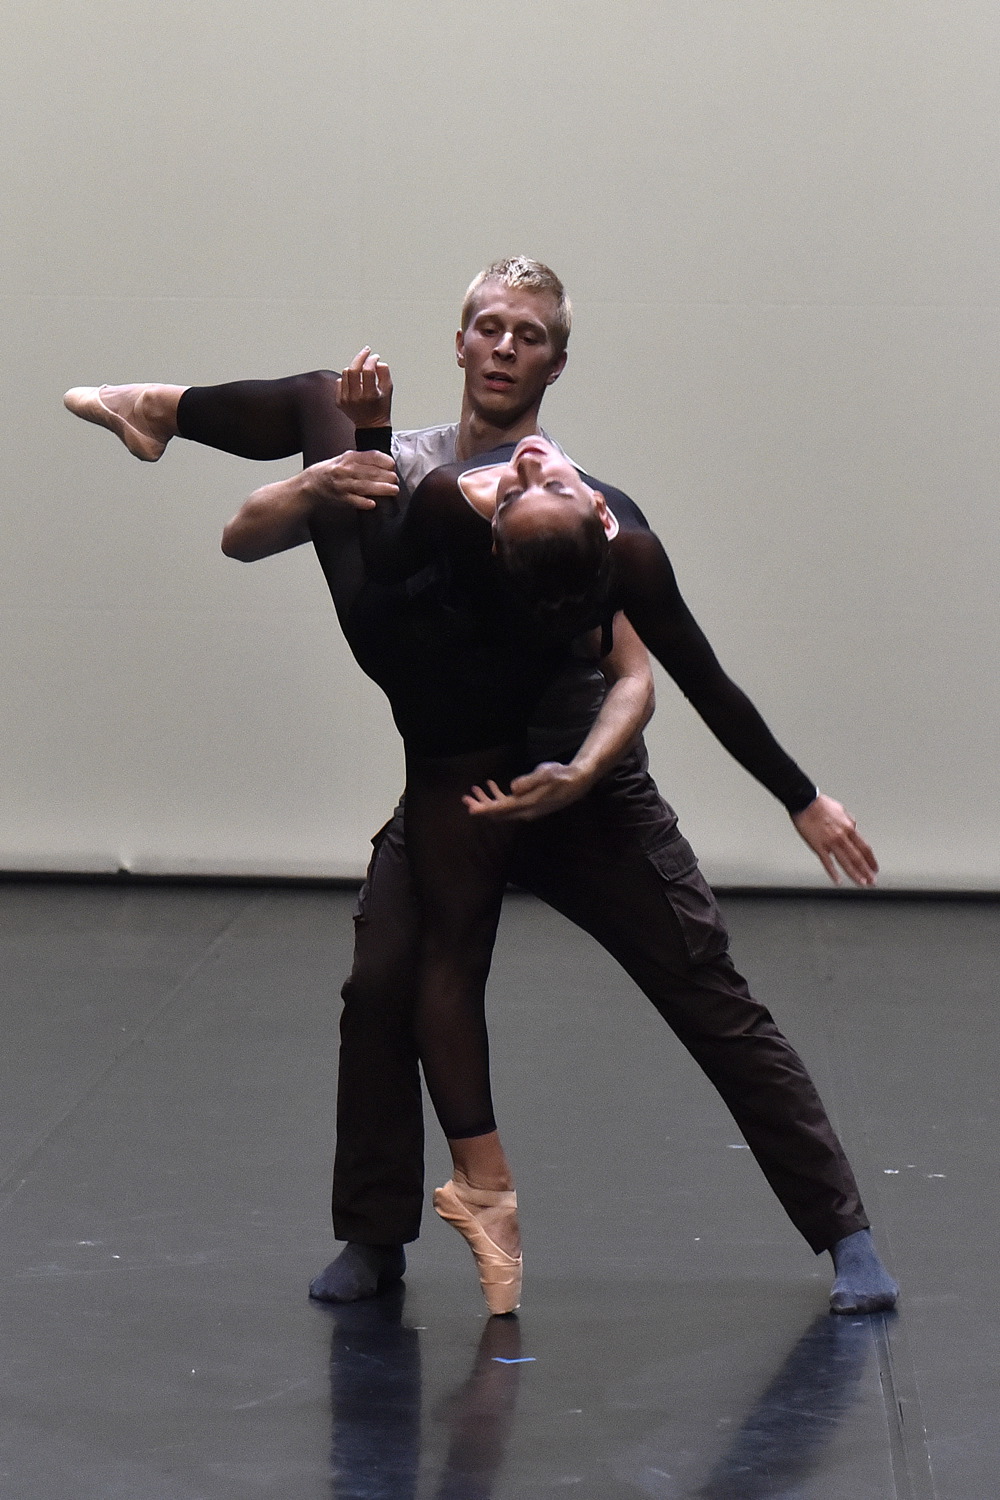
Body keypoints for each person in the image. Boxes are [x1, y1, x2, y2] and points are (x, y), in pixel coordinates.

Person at [63, 258, 897, 1316]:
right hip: (455, 778)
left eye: (529, 334)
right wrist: (318, 481)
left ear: (556, 363)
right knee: (381, 988)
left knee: (707, 992)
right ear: (458, 344)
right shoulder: (415, 473)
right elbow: (260, 540)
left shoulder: (578, 508)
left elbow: (644, 675)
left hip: (585, 791)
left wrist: (655, 778)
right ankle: (374, 1235)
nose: (505, 346)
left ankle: (847, 1236)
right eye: (489, 326)